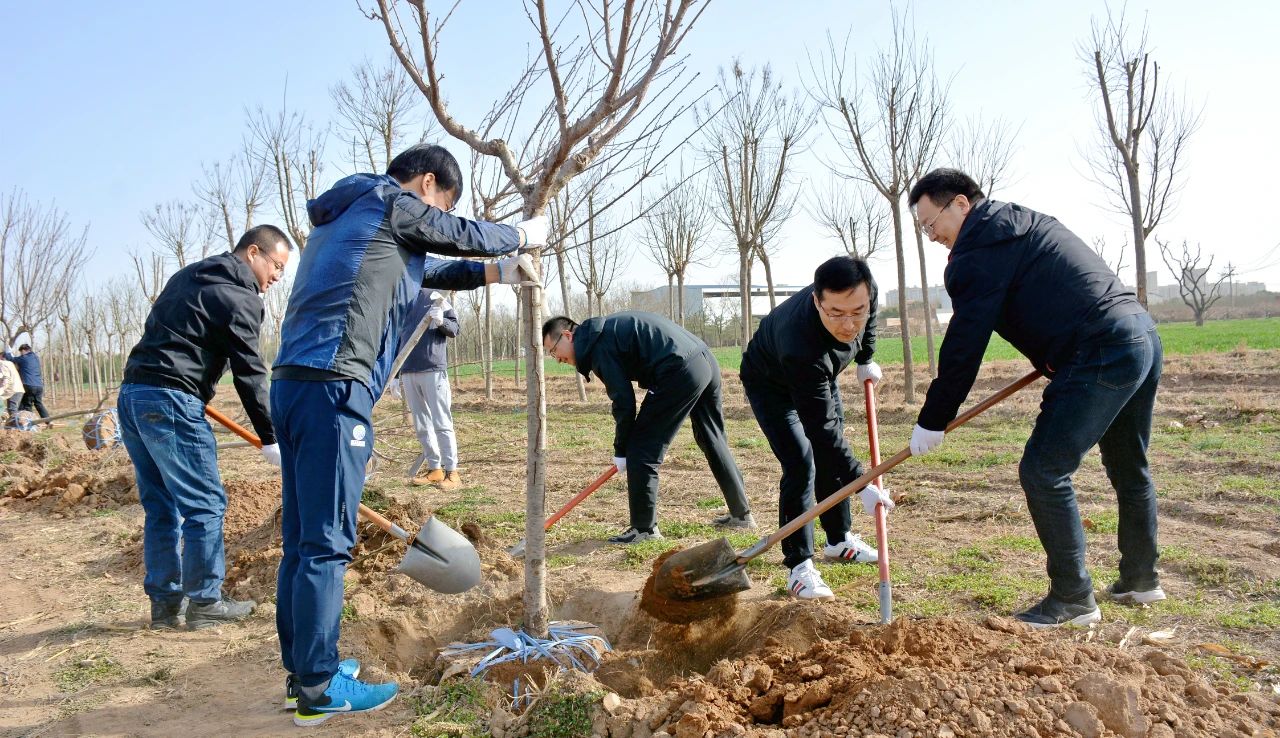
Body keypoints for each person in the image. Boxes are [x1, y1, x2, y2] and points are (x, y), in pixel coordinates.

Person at [271, 143, 541, 727]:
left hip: (295, 384)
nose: (439, 216)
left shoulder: (355, 218)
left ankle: (304, 673)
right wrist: (519, 234)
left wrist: (496, 271)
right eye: (443, 204)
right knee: (326, 543)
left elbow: (431, 269)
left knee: (303, 540)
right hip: (335, 387)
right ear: (427, 183)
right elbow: (455, 235)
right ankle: (319, 689)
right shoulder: (388, 200)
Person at [907, 168, 1164, 628]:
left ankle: (1073, 598)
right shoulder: (1027, 221)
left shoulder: (976, 252)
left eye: (931, 223)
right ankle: (1140, 579)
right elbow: (1057, 293)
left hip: (1101, 347)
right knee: (1129, 466)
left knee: (1044, 470)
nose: (932, 236)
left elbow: (965, 342)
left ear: (962, 203)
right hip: (1139, 334)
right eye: (924, 230)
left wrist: (933, 417)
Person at [118, 225, 293, 632]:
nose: (277, 277)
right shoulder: (241, 298)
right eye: (277, 266)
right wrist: (271, 437)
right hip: (172, 401)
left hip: (134, 395)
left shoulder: (188, 275)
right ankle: (206, 602)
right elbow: (250, 373)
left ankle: (166, 606)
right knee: (206, 505)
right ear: (254, 252)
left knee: (161, 506)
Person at [739, 256, 894, 600]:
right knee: (801, 461)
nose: (849, 324)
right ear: (817, 301)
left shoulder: (864, 292)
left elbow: (867, 321)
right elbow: (822, 430)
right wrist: (862, 482)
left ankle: (839, 540)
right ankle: (799, 567)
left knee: (829, 457)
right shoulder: (799, 343)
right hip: (772, 384)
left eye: (857, 311)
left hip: (821, 376)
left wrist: (866, 356)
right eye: (836, 314)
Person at [541, 311, 755, 544]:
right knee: (712, 438)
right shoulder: (603, 331)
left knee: (642, 449)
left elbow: (623, 401)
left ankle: (644, 530)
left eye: (553, 350)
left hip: (677, 369)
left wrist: (622, 449)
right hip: (704, 360)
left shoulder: (597, 344)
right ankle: (741, 514)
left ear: (568, 336)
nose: (557, 359)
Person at [399, 288, 463, 489]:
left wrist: (441, 321)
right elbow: (396, 339)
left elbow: (454, 329)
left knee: (441, 422)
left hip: (433, 368)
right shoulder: (401, 299)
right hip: (408, 370)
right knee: (421, 424)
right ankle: (435, 469)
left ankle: (452, 472)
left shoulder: (437, 296)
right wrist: (396, 373)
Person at [4, 344, 48, 423]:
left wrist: (7, 352)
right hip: (39, 386)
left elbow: (11, 359)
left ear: (24, 350)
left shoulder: (24, 358)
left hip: (28, 384)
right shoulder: (36, 358)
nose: (21, 354)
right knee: (38, 404)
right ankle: (48, 421)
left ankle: (27, 422)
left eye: (21, 352)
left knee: (26, 405)